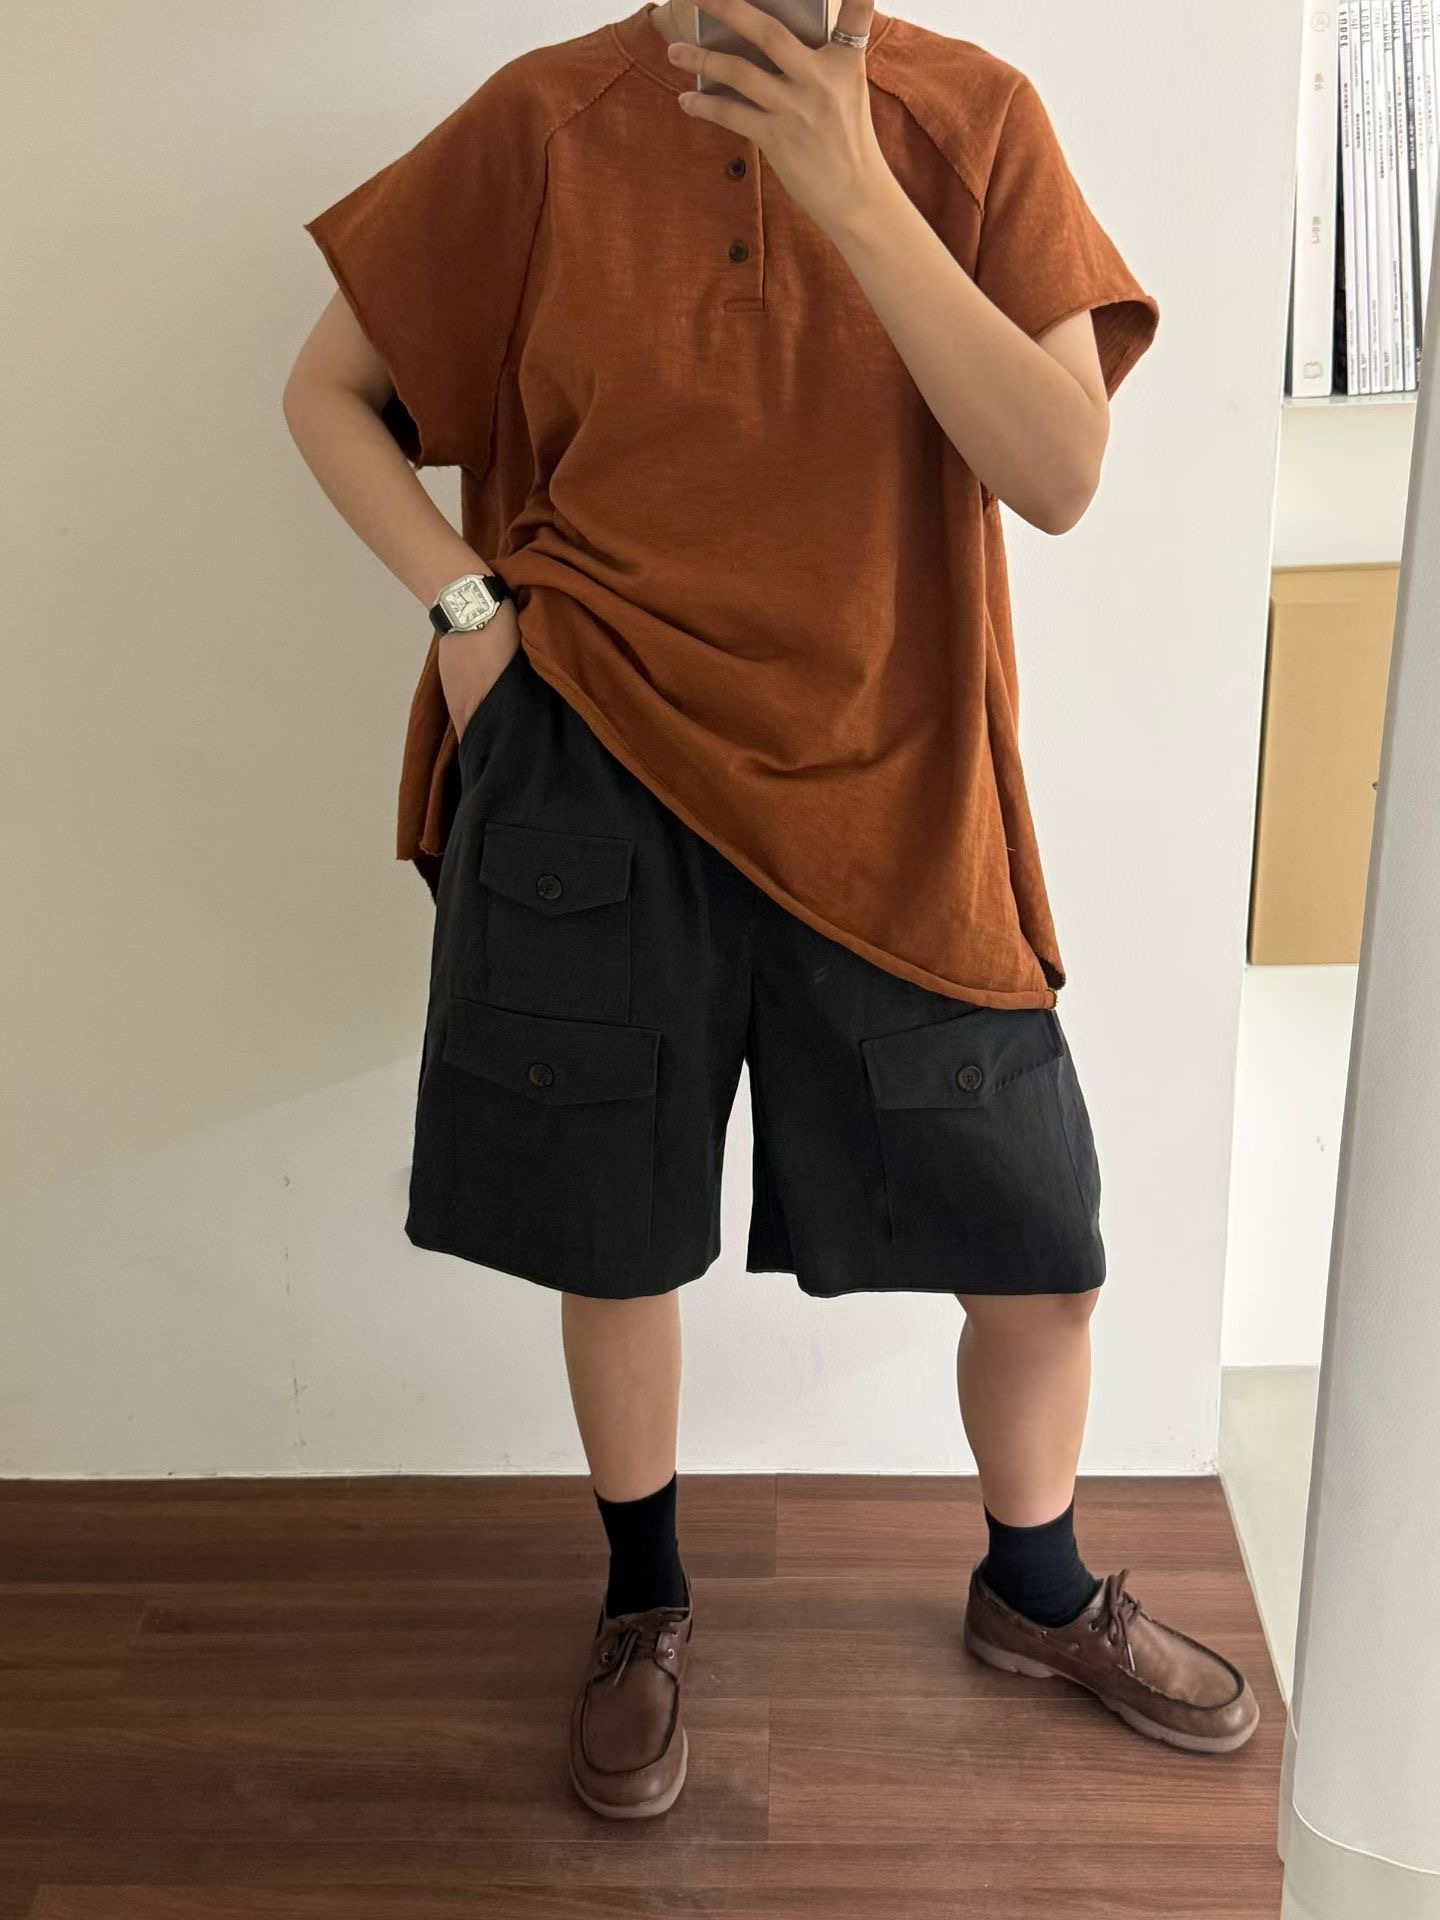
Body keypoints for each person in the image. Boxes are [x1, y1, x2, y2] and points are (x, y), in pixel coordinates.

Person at [284, 0, 1259, 1822]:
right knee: (615, 1233)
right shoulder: (547, 118)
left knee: (1038, 1248)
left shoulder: (973, 120)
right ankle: (640, 1599)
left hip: (900, 782)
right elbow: (323, 393)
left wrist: (848, 180)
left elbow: (1057, 474)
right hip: (596, 765)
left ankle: (1036, 1586)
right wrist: (469, 625)